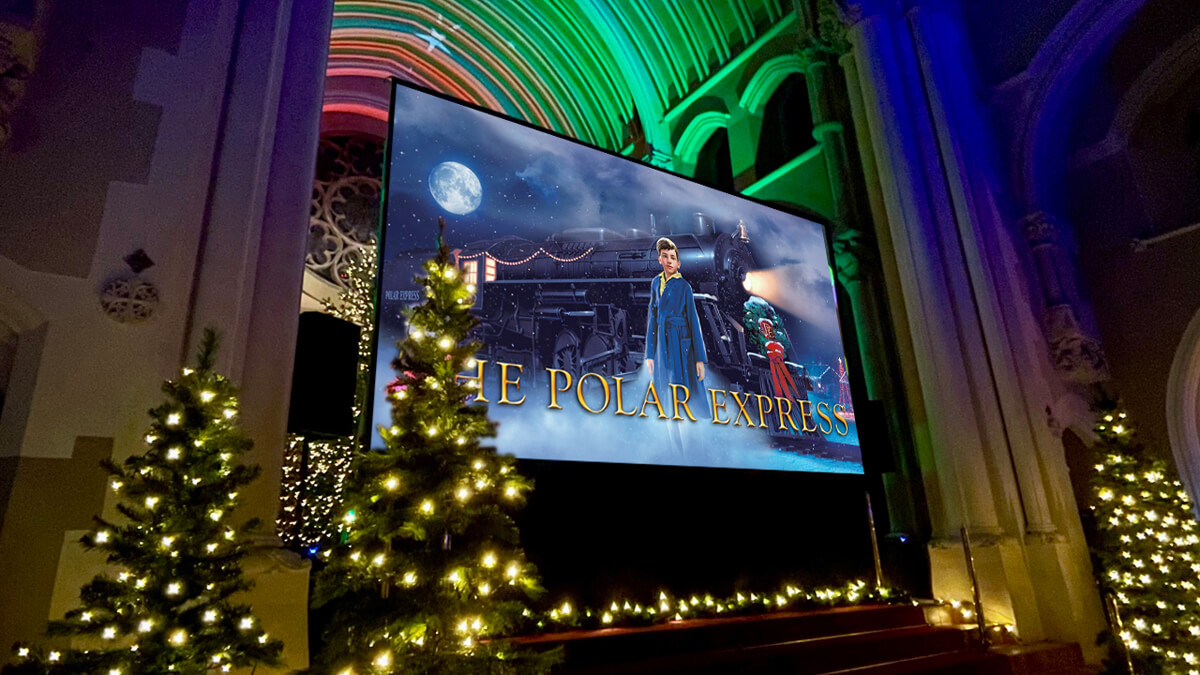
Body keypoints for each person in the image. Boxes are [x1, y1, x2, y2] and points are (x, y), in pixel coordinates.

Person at [645, 237, 708, 451]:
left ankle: (692, 446)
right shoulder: (655, 283)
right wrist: (650, 354)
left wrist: (700, 359)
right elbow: (653, 318)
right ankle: (675, 447)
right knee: (666, 393)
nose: (670, 261)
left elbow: (693, 321)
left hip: (681, 343)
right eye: (666, 257)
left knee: (683, 392)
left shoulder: (684, 286)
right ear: (659, 259)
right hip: (662, 344)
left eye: (673, 258)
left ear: (679, 263)